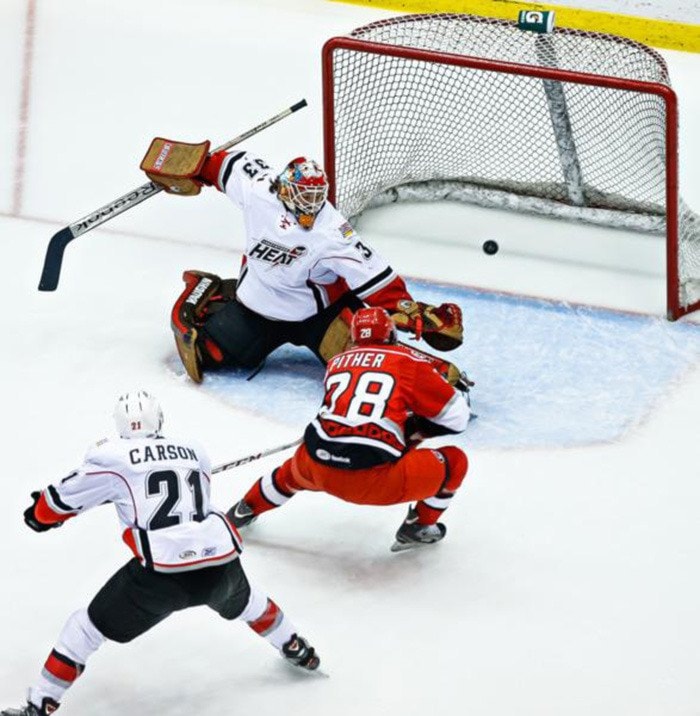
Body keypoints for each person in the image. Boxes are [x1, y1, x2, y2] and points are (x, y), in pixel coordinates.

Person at [2, 391, 319, 716]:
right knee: (251, 602)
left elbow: (54, 505)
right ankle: (296, 646)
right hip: (218, 563)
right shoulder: (195, 452)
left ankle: (38, 706)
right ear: (160, 419)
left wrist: (38, 515)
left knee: (83, 630)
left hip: (160, 577)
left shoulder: (110, 455)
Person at [139, 137, 464, 383]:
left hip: (318, 316)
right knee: (214, 355)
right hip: (258, 306)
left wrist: (408, 310)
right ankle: (210, 290)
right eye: (305, 197)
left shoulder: (332, 231)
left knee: (362, 368)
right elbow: (223, 166)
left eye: (317, 197)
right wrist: (194, 167)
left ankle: (411, 365)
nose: (313, 205)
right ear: (284, 189)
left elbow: (376, 278)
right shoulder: (259, 188)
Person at [226, 307, 471, 552]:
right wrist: (413, 430)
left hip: (317, 466)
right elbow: (457, 418)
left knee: (290, 474)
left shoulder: (336, 362)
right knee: (455, 462)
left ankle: (244, 509)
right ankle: (419, 526)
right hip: (376, 480)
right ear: (391, 336)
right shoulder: (408, 362)